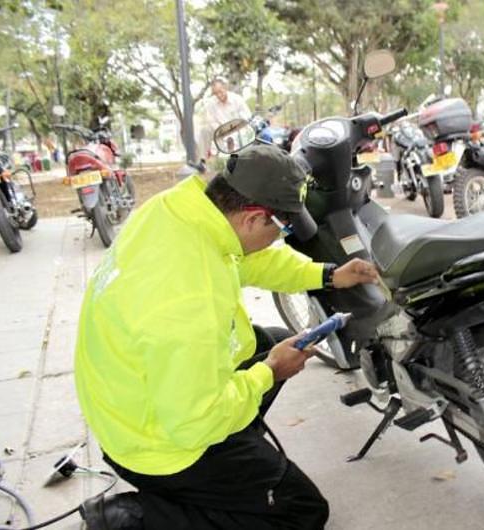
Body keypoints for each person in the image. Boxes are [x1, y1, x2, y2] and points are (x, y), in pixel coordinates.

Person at [75, 143, 379, 530]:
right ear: (254, 217)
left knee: (270, 341)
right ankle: (133, 519)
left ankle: (233, 463)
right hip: (156, 444)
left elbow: (251, 257)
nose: (279, 238)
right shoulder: (188, 298)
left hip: (125, 401)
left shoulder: (180, 211)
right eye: (282, 228)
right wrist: (269, 372)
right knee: (302, 511)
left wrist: (329, 274)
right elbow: (194, 422)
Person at [196, 77, 252, 168]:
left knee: (234, 144)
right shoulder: (211, 103)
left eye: (220, 91)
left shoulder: (237, 99)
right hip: (220, 130)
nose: (218, 95)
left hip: (237, 130)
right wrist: (220, 131)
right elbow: (211, 120)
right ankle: (202, 162)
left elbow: (247, 116)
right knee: (204, 130)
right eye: (215, 93)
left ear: (225, 88)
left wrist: (236, 128)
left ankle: (236, 161)